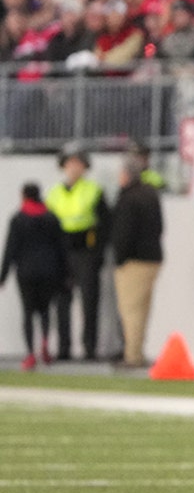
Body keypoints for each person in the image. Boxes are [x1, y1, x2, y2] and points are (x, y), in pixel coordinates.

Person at [46, 142, 108, 362]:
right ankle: (64, 348)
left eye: (78, 163)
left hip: (85, 252)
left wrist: (98, 255)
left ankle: (89, 347)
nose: (73, 167)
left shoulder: (93, 191)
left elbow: (104, 226)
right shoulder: (54, 194)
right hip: (62, 253)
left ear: (85, 166)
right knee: (62, 303)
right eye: (70, 163)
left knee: (90, 301)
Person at [0, 183, 68, 370]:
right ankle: (45, 342)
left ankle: (30, 353)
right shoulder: (51, 218)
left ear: (24, 196)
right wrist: (66, 274)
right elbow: (62, 248)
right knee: (45, 310)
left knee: (28, 312)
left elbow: (10, 249)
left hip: (26, 272)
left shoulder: (18, 219)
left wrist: (3, 275)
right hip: (49, 271)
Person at [109, 153, 164, 368]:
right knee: (143, 309)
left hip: (133, 261)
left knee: (130, 310)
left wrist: (120, 258)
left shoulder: (128, 198)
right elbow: (160, 227)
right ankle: (137, 352)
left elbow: (123, 233)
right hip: (153, 258)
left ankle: (132, 355)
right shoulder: (151, 195)